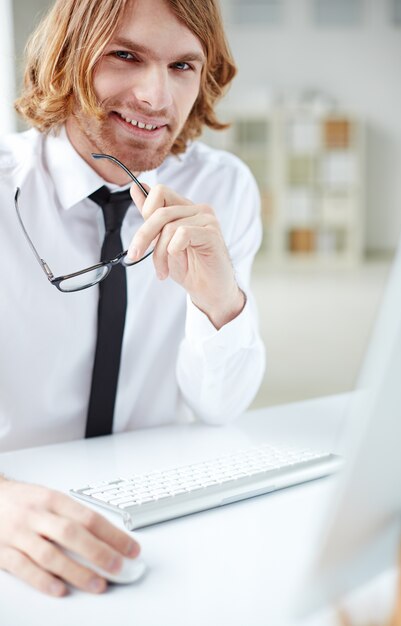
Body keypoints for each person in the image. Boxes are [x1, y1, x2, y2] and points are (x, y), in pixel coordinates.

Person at [0, 0, 265, 597]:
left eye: (182, 67)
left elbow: (222, 407)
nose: (155, 97)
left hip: (156, 513)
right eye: (126, 56)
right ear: (68, 59)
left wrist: (219, 300)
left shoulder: (223, 190)